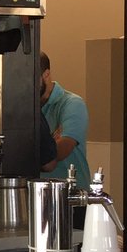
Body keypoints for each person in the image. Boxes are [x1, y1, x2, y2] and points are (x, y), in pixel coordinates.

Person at [39, 51, 91, 190]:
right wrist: (51, 141)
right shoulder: (24, 107)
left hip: (71, 193)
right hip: (37, 192)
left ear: (46, 74)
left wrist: (35, 151)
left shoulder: (72, 104)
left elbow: (61, 151)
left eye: (32, 78)